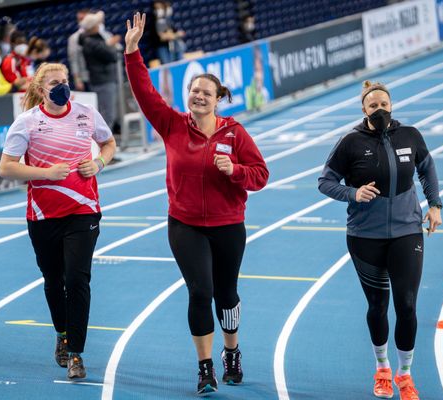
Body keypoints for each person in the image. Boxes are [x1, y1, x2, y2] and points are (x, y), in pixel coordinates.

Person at [124, 13, 269, 395]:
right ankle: (205, 368)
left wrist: (235, 170)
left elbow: (261, 175)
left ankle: (231, 352)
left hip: (227, 225)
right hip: (185, 224)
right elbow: (145, 93)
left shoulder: (235, 132)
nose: (199, 96)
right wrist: (133, 53)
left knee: (227, 294)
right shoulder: (171, 125)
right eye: (194, 90)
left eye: (207, 92)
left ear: (219, 99)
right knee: (200, 291)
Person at [318, 80, 443, 400]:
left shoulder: (410, 135)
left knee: (407, 304)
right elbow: (325, 181)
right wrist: (352, 193)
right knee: (377, 305)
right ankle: (383, 369)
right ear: (363, 109)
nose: (379, 110)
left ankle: (405, 375)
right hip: (365, 237)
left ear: (391, 106)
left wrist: (435, 206)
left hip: (407, 231)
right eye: (373, 106)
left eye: (384, 104)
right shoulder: (350, 142)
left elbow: (427, 169)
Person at [0, 62, 116, 380]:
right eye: (54, 83)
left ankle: (76, 354)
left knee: (78, 279)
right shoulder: (27, 122)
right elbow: (6, 168)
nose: (62, 86)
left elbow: (109, 142)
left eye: (64, 81)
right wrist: (45, 173)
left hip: (84, 210)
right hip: (43, 215)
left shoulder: (86, 114)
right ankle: (62, 333)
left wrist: (100, 162)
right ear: (40, 89)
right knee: (54, 281)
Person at [80, 12, 121, 130]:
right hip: (103, 81)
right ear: (93, 27)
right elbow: (112, 56)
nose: (99, 26)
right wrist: (110, 45)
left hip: (102, 79)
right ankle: (106, 143)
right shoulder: (91, 42)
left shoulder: (93, 40)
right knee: (107, 115)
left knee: (106, 113)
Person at [68, 8, 91, 91]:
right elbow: (74, 60)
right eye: (80, 19)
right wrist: (77, 80)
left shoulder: (98, 33)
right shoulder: (74, 38)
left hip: (99, 77)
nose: (82, 21)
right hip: (85, 78)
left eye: (84, 19)